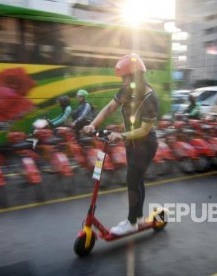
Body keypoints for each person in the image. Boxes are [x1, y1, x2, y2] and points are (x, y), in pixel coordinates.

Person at [83, 53, 159, 236]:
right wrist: (93, 124)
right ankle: (139, 217)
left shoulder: (150, 98)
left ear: (135, 76)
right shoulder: (126, 91)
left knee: (132, 180)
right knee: (136, 180)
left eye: (126, 78)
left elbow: (145, 129)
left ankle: (131, 222)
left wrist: (121, 135)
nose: (123, 82)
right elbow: (110, 108)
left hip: (145, 144)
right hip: (131, 144)